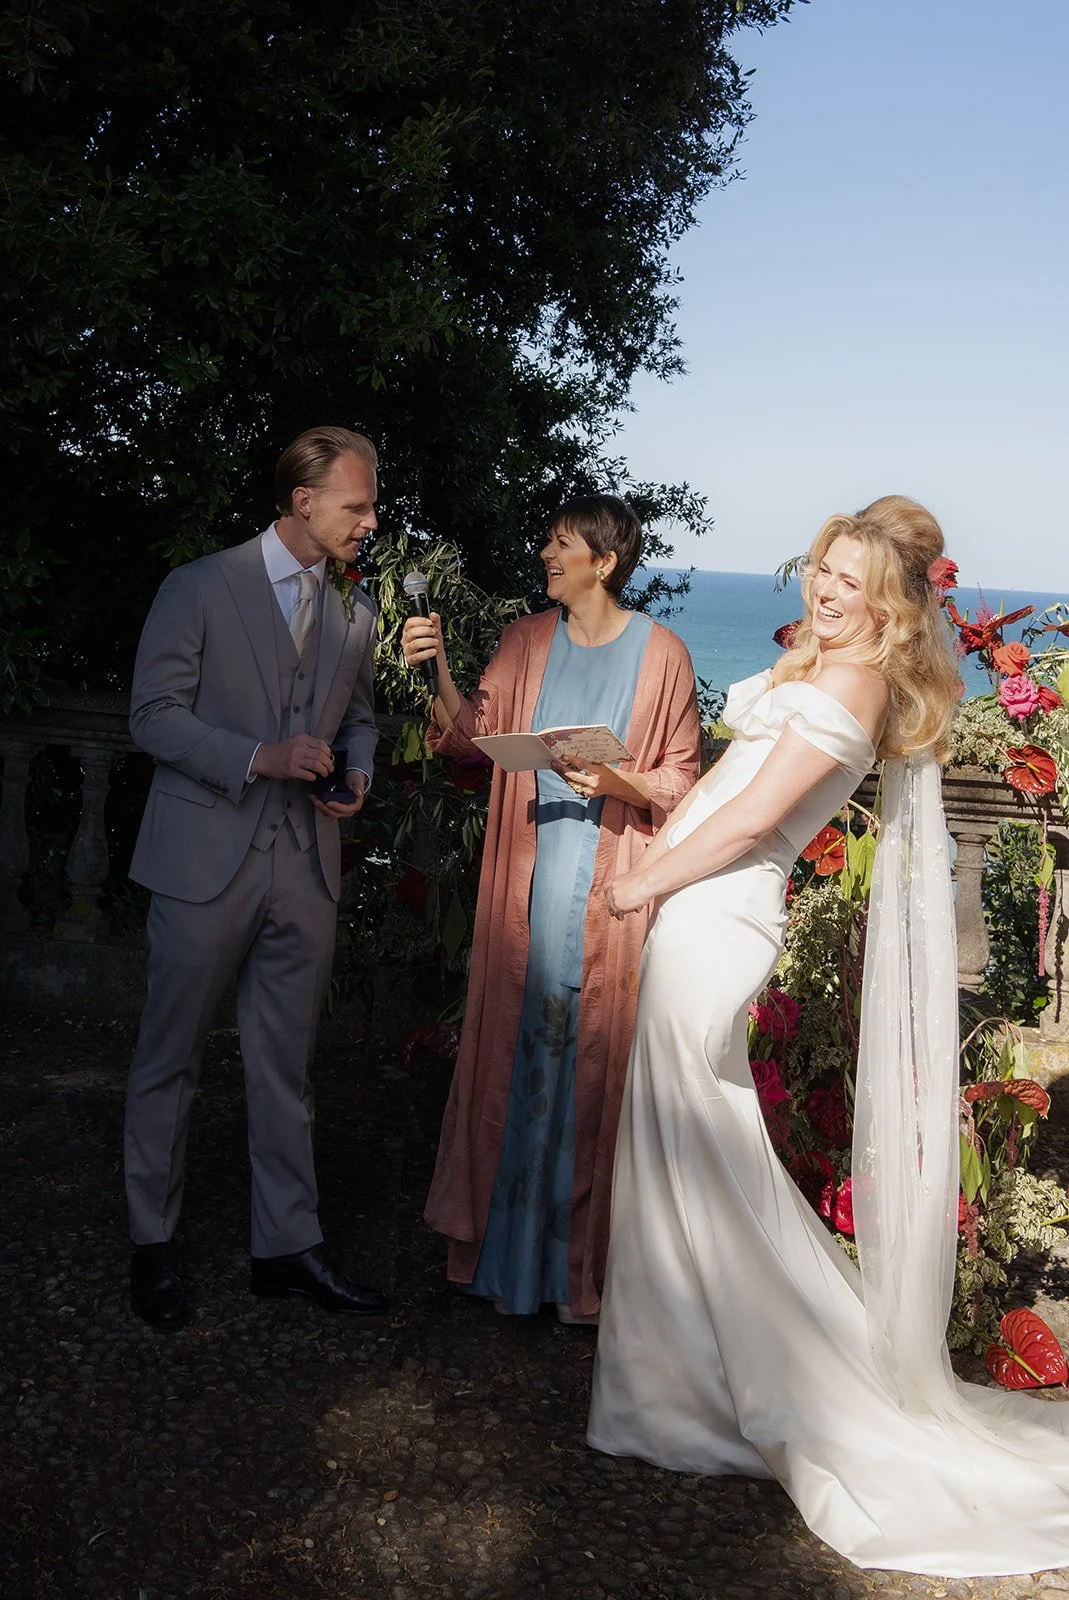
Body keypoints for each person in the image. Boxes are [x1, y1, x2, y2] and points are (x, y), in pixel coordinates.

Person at [587, 494, 1069, 1576]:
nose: (826, 590)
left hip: (720, 915)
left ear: (889, 601)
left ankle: (746, 1385)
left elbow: (757, 820)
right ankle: (678, 1378)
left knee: (699, 1152)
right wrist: (655, 855)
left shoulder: (853, 681)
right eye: (821, 571)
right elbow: (720, 786)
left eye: (850, 580)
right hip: (691, 907)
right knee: (685, 1149)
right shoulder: (815, 667)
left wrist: (641, 885)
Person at [402, 495, 701, 1322]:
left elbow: (681, 775)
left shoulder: (663, 653)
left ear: (604, 562)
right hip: (523, 888)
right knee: (515, 1060)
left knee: (591, 1070)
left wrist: (618, 780)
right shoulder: (524, 641)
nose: (544, 554)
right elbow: (469, 735)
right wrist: (434, 669)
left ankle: (577, 1280)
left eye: (560, 544)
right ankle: (503, 1261)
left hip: (608, 890)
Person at [124, 426, 388, 1328]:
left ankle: (286, 1246)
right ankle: (151, 1245)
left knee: (287, 1067)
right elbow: (152, 715)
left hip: (305, 869)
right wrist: (258, 755)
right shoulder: (199, 586)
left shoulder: (356, 613)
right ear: (302, 501)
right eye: (357, 505)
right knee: (170, 1060)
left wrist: (356, 774)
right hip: (202, 862)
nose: (370, 520)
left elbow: (362, 719)